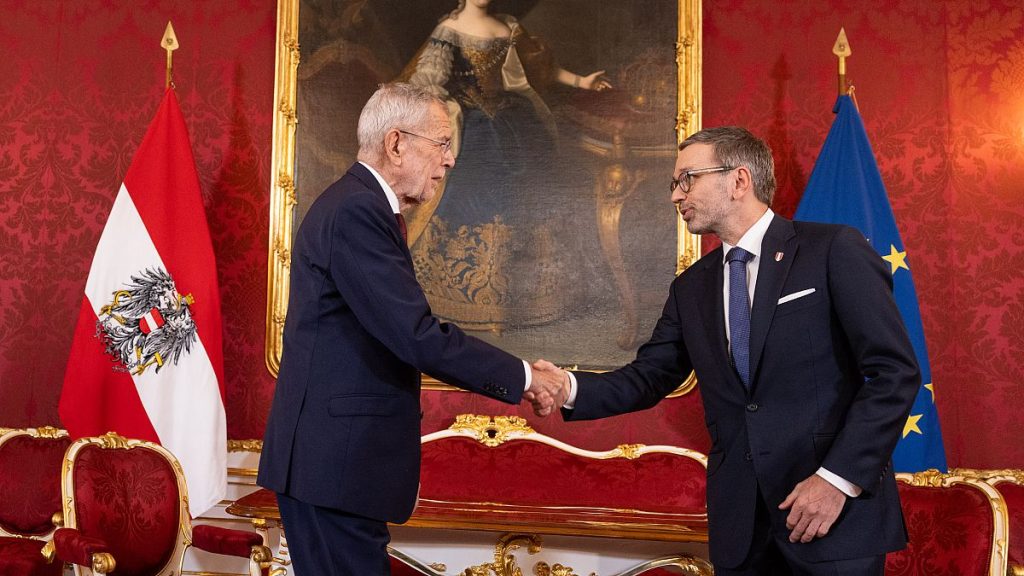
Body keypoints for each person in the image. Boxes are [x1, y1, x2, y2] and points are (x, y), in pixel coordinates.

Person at [531, 127, 920, 575]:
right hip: (742, 526)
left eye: (687, 180)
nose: (676, 196)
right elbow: (649, 376)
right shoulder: (691, 288)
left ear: (739, 180)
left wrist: (836, 480)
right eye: (675, 184)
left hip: (832, 516)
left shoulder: (831, 250)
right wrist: (568, 387)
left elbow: (895, 372)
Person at [257, 83, 565, 576]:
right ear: (396, 143)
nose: (450, 160)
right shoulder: (357, 210)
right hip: (334, 469)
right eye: (442, 143)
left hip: (337, 468)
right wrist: (526, 377)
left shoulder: (361, 206)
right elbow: (416, 335)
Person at [396, 0, 611, 330]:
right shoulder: (448, 31)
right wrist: (440, 113)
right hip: (469, 122)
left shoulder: (508, 27)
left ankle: (530, 296)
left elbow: (543, 70)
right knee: (474, 187)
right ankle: (463, 295)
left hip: (514, 119)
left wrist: (582, 82)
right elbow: (427, 81)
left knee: (530, 190)